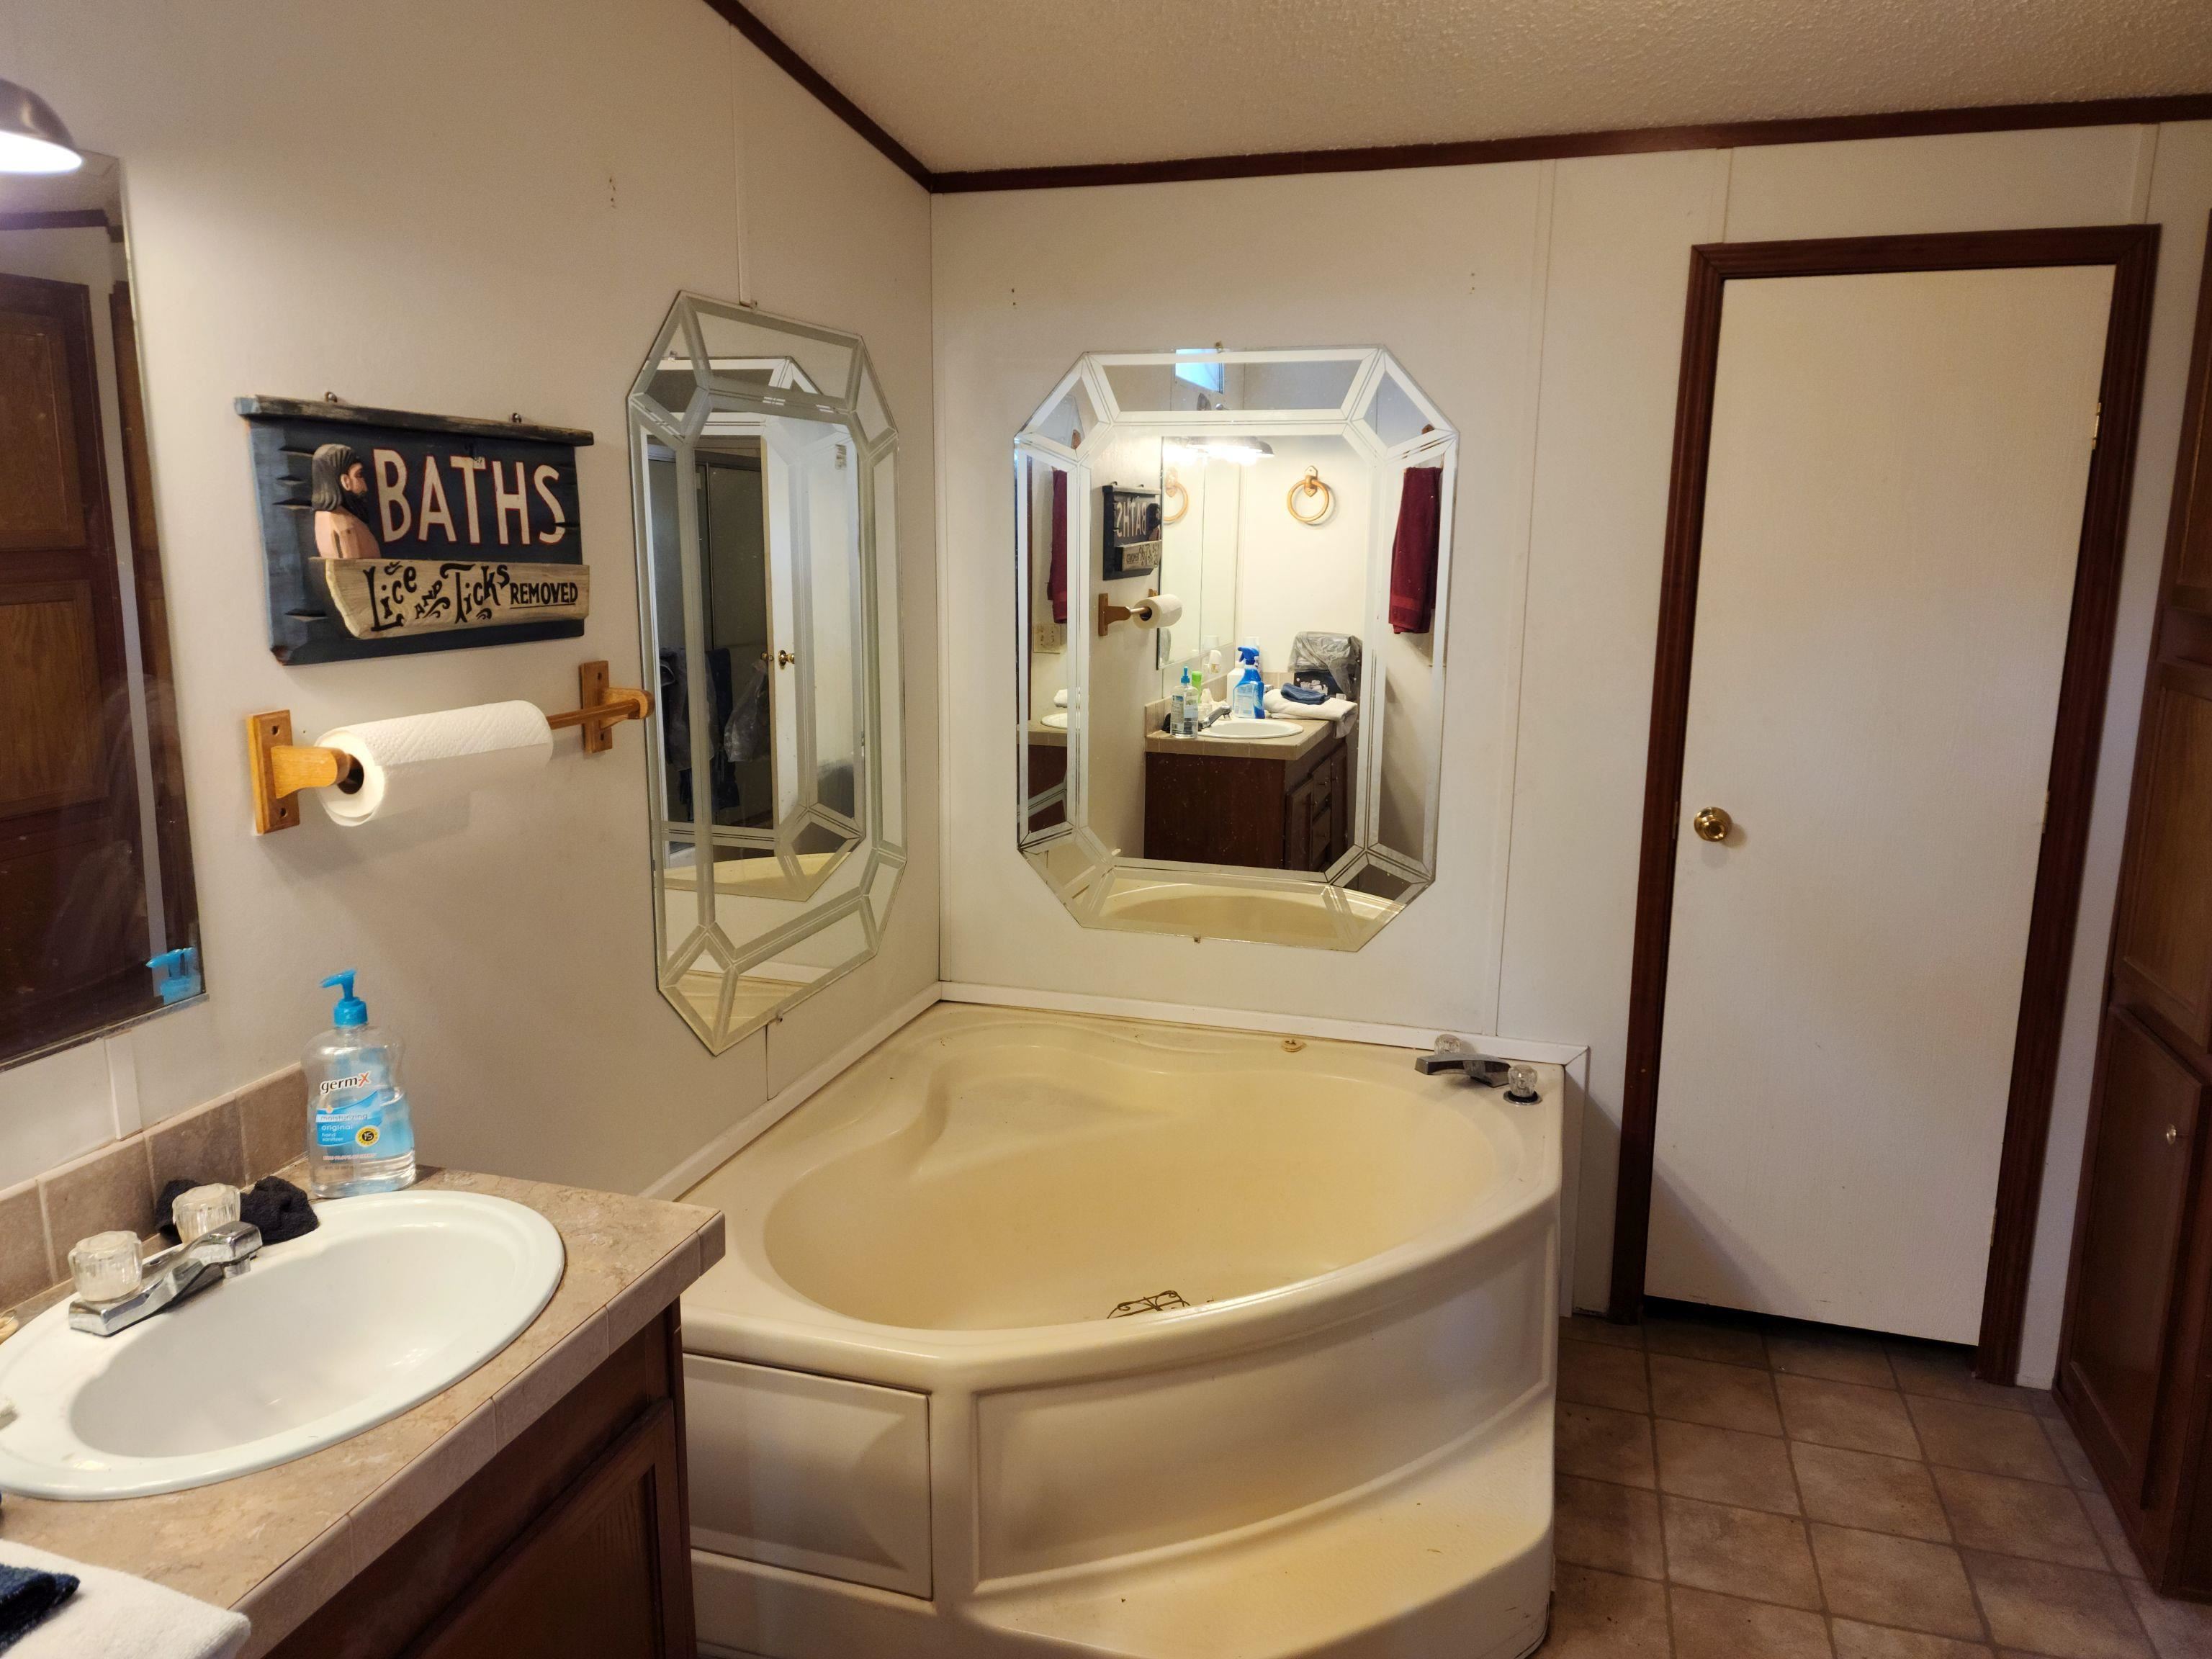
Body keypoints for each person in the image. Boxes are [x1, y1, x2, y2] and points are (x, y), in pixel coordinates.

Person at [310, 443, 380, 559]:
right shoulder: (344, 525)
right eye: (359, 475)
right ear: (345, 481)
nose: (365, 486)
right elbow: (352, 571)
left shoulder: (324, 517)